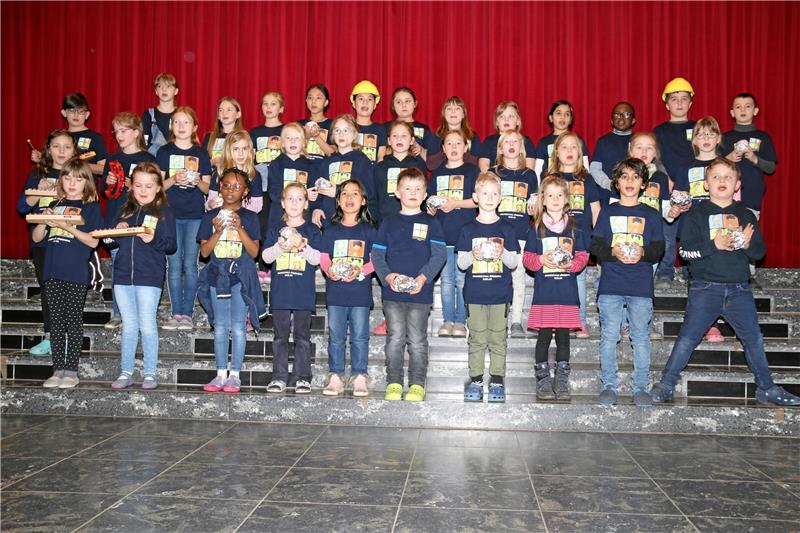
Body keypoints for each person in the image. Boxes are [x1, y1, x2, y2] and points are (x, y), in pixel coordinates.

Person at [651, 158, 800, 406]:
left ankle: (767, 387)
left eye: (728, 177)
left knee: (754, 339)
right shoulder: (697, 214)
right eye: (716, 177)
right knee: (687, 338)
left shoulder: (745, 214)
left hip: (739, 289)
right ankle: (666, 384)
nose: (722, 181)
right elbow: (685, 252)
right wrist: (714, 245)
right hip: (705, 288)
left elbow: (759, 253)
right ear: (706, 184)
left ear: (737, 184)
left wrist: (749, 244)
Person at [592, 158, 665, 406]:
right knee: (609, 336)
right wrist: (614, 252)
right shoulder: (608, 211)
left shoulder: (651, 215)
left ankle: (640, 388)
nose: (630, 181)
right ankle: (609, 386)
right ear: (616, 182)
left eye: (635, 177)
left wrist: (641, 253)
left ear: (644, 183)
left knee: (641, 337)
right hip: (611, 285)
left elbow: (659, 249)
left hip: (640, 287)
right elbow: (596, 245)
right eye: (624, 176)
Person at [371, 168, 446, 401]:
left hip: (420, 293)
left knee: (417, 340)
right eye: (407, 188)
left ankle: (417, 384)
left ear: (425, 194)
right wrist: (388, 277)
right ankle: (393, 382)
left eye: (418, 189)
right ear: (397, 192)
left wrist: (423, 279)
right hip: (392, 294)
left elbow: (439, 255)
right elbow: (377, 255)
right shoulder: (388, 222)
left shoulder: (431, 222)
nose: (413, 193)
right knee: (394, 338)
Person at [31, 158, 102, 388]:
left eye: (78, 179)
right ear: (61, 180)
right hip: (52, 271)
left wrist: (67, 226)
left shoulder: (90, 207)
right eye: (67, 177)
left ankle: (71, 371)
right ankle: (57, 370)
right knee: (56, 323)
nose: (72, 183)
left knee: (73, 322)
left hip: (75, 272)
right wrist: (45, 220)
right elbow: (36, 237)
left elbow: (92, 242)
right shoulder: (55, 203)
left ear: (86, 183)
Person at [109, 162, 176, 390]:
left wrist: (153, 239)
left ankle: (150, 373)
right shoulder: (124, 208)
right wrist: (114, 232)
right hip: (122, 275)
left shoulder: (164, 212)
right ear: (131, 186)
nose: (143, 190)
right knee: (128, 325)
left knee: (147, 325)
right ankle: (125, 372)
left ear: (158, 187)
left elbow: (171, 245)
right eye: (138, 185)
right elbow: (108, 239)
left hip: (149, 277)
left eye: (149, 185)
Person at [198, 169, 264, 394]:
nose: (230, 190)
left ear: (245, 191)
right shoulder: (210, 216)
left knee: (237, 326)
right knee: (219, 326)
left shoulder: (250, 217)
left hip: (240, 278)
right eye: (226, 185)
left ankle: (235, 374)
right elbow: (205, 252)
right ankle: (220, 373)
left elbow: (255, 252)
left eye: (237, 187)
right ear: (220, 187)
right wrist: (217, 231)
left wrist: (239, 227)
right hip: (218, 277)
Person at [524, 175, 589, 400]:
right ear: (542, 200)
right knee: (543, 338)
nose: (554, 199)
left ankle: (561, 380)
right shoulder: (536, 228)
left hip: (566, 294)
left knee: (563, 338)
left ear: (566, 200)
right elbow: (528, 259)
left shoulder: (574, 228)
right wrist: (541, 260)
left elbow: (582, 255)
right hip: (545, 294)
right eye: (549, 195)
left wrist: (573, 265)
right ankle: (542, 380)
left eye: (559, 195)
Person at [457, 173, 519, 402]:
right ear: (475, 197)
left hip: (500, 294)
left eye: (495, 193)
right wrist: (472, 256)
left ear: (501, 198)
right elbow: (460, 264)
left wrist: (503, 253)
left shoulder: (507, 229)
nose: (490, 197)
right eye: (485, 193)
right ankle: (475, 379)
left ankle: (497, 380)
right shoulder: (468, 229)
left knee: (498, 339)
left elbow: (514, 264)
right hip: (475, 294)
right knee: (477, 338)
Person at [18, 130, 76, 356]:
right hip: (42, 242)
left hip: (70, 241)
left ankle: (69, 337)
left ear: (74, 150)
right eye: (56, 146)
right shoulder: (37, 174)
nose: (61, 152)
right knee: (48, 289)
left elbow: (90, 204)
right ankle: (51, 337)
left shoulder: (78, 174)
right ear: (48, 149)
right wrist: (37, 192)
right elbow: (22, 207)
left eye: (67, 147)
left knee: (70, 289)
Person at [155, 106, 212, 331]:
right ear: (172, 126)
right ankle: (175, 312)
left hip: (195, 215)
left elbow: (207, 188)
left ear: (194, 127)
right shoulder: (164, 152)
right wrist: (173, 179)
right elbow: (157, 187)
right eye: (177, 122)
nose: (181, 126)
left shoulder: (200, 154)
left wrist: (197, 181)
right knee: (173, 264)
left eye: (186, 122)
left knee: (190, 264)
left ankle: (187, 313)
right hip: (170, 215)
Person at [261, 183, 322, 393]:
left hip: (303, 293)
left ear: (306, 203)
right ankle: (278, 376)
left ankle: (303, 377)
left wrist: (301, 245)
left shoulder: (312, 230)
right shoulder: (274, 230)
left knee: (302, 337)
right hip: (280, 294)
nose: (294, 203)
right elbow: (265, 257)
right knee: (280, 337)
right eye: (290, 198)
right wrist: (280, 246)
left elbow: (317, 260)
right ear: (282, 203)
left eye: (299, 199)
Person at [319, 179, 377, 397]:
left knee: (360, 336)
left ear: (363, 201)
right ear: (338, 200)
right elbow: (324, 257)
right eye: (344, 193)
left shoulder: (369, 231)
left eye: (355, 194)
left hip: (360, 294)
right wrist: (328, 270)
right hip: (336, 293)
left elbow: (375, 260)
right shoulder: (331, 230)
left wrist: (360, 271)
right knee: (336, 336)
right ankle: (335, 376)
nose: (349, 198)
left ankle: (359, 375)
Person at [101, 112, 156, 330]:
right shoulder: (113, 160)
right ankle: (117, 312)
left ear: (136, 132)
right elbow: (105, 194)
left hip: (141, 219)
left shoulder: (148, 159)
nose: (119, 135)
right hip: (117, 219)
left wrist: (132, 186)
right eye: (116, 131)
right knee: (118, 266)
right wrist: (109, 183)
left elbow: (155, 192)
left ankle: (141, 312)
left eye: (123, 130)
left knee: (141, 267)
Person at [543, 133, 600, 337]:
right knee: (555, 280)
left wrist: (598, 238)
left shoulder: (587, 178)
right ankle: (555, 321)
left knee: (578, 279)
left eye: (573, 147)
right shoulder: (548, 178)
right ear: (556, 152)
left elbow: (595, 210)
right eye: (564, 147)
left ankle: (580, 322)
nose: (569, 151)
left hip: (580, 237)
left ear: (579, 153)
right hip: (552, 237)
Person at [722, 93, 778, 288]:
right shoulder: (725, 137)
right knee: (725, 228)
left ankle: (749, 273)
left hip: (751, 194)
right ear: (732, 112)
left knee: (748, 231)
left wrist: (754, 159)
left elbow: (771, 167)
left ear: (755, 111)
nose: (743, 110)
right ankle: (724, 270)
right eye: (738, 106)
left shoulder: (762, 137)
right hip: (725, 195)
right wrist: (728, 158)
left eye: (747, 106)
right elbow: (712, 167)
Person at [427, 130, 479, 337]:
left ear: (466, 147)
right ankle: (448, 320)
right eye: (449, 143)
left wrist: (455, 203)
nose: (454, 147)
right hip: (443, 234)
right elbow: (431, 202)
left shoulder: (472, 171)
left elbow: (477, 200)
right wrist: (431, 209)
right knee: (446, 281)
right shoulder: (438, 173)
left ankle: (461, 321)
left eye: (459, 143)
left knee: (462, 280)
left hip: (464, 235)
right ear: (443, 148)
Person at [488, 130, 538, 337]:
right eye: (506, 142)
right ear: (500, 148)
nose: (511, 145)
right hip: (495, 233)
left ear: (521, 148)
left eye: (515, 142)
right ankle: (495, 318)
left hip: (520, 235)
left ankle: (516, 321)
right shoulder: (493, 172)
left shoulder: (529, 175)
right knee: (495, 277)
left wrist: (534, 207)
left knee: (518, 279)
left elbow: (534, 201)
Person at [310, 114, 374, 227]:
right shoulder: (327, 162)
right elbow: (318, 189)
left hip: (353, 221)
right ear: (332, 135)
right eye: (337, 130)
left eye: (346, 130)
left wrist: (338, 191)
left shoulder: (362, 161)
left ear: (354, 134)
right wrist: (317, 208)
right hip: (328, 220)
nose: (341, 134)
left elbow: (367, 191)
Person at [264, 123, 314, 229]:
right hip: (279, 216)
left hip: (303, 217)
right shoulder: (276, 164)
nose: (292, 141)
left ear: (304, 142)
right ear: (282, 143)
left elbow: (315, 192)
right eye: (288, 138)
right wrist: (303, 194)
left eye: (297, 138)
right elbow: (273, 193)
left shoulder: (312, 165)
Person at [590, 101, 637, 205]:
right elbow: (594, 168)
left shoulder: (638, 141)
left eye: (626, 114)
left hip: (634, 194)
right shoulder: (603, 141)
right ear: (611, 120)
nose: (621, 117)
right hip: (607, 194)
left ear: (633, 120)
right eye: (617, 114)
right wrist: (610, 184)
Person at [207, 130, 263, 214]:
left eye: (244, 148)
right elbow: (209, 203)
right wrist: (211, 204)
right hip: (221, 219)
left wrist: (235, 205)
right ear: (228, 151)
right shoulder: (219, 172)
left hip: (244, 220)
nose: (241, 154)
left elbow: (258, 206)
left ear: (250, 151)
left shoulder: (254, 175)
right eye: (236, 149)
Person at [654, 77, 696, 181]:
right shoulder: (659, 131)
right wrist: (667, 180)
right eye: (674, 99)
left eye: (684, 99)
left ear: (690, 104)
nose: (679, 103)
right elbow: (656, 160)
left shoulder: (699, 128)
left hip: (696, 181)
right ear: (667, 105)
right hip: (669, 183)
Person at [533, 100, 590, 177]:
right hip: (550, 185)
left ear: (570, 120)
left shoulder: (578, 140)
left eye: (567, 114)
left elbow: (586, 167)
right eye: (558, 113)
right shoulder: (544, 142)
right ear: (551, 118)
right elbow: (538, 169)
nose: (562, 117)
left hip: (574, 184)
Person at [59, 92, 108, 175]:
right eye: (71, 111)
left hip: (87, 186)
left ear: (87, 115)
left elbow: (103, 169)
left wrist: (78, 164)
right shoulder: (58, 137)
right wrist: (42, 159)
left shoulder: (95, 137)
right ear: (64, 113)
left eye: (81, 111)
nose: (76, 115)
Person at [478, 101, 535, 172]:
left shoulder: (525, 141)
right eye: (502, 116)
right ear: (496, 122)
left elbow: (529, 168)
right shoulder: (489, 141)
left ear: (518, 121)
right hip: (494, 181)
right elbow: (483, 166)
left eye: (510, 116)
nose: (506, 119)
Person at [428, 96, 481, 169]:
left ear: (463, 115)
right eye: (449, 108)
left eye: (457, 108)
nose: (453, 111)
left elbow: (477, 163)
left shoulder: (472, 136)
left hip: (467, 175)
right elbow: (431, 165)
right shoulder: (437, 136)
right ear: (444, 114)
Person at [386, 87, 436, 160]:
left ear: (415, 104)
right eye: (399, 102)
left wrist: (421, 150)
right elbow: (379, 157)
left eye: (407, 101)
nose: (403, 105)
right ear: (393, 106)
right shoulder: (385, 128)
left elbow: (431, 161)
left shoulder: (424, 129)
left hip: (416, 170)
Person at [142, 72, 179, 156]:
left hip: (176, 161)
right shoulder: (148, 115)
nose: (164, 90)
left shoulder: (182, 115)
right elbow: (144, 142)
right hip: (154, 161)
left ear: (176, 91)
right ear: (156, 91)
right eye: (160, 86)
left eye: (168, 86)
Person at [350, 80, 386, 163]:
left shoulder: (380, 129)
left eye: (369, 99)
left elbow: (381, 158)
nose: (365, 102)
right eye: (361, 98)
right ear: (354, 104)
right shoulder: (346, 127)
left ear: (374, 105)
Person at [202, 97, 243, 168]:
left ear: (238, 114)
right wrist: (212, 162)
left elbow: (248, 162)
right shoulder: (209, 137)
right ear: (218, 115)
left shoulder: (243, 137)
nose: (224, 113)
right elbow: (201, 163)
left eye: (229, 110)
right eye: (221, 110)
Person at [299, 83, 335, 159]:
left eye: (318, 98)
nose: (313, 101)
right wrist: (306, 136)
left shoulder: (333, 125)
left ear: (326, 102)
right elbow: (292, 151)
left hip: (322, 169)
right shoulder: (298, 125)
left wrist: (316, 136)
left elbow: (333, 154)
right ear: (306, 101)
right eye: (310, 98)